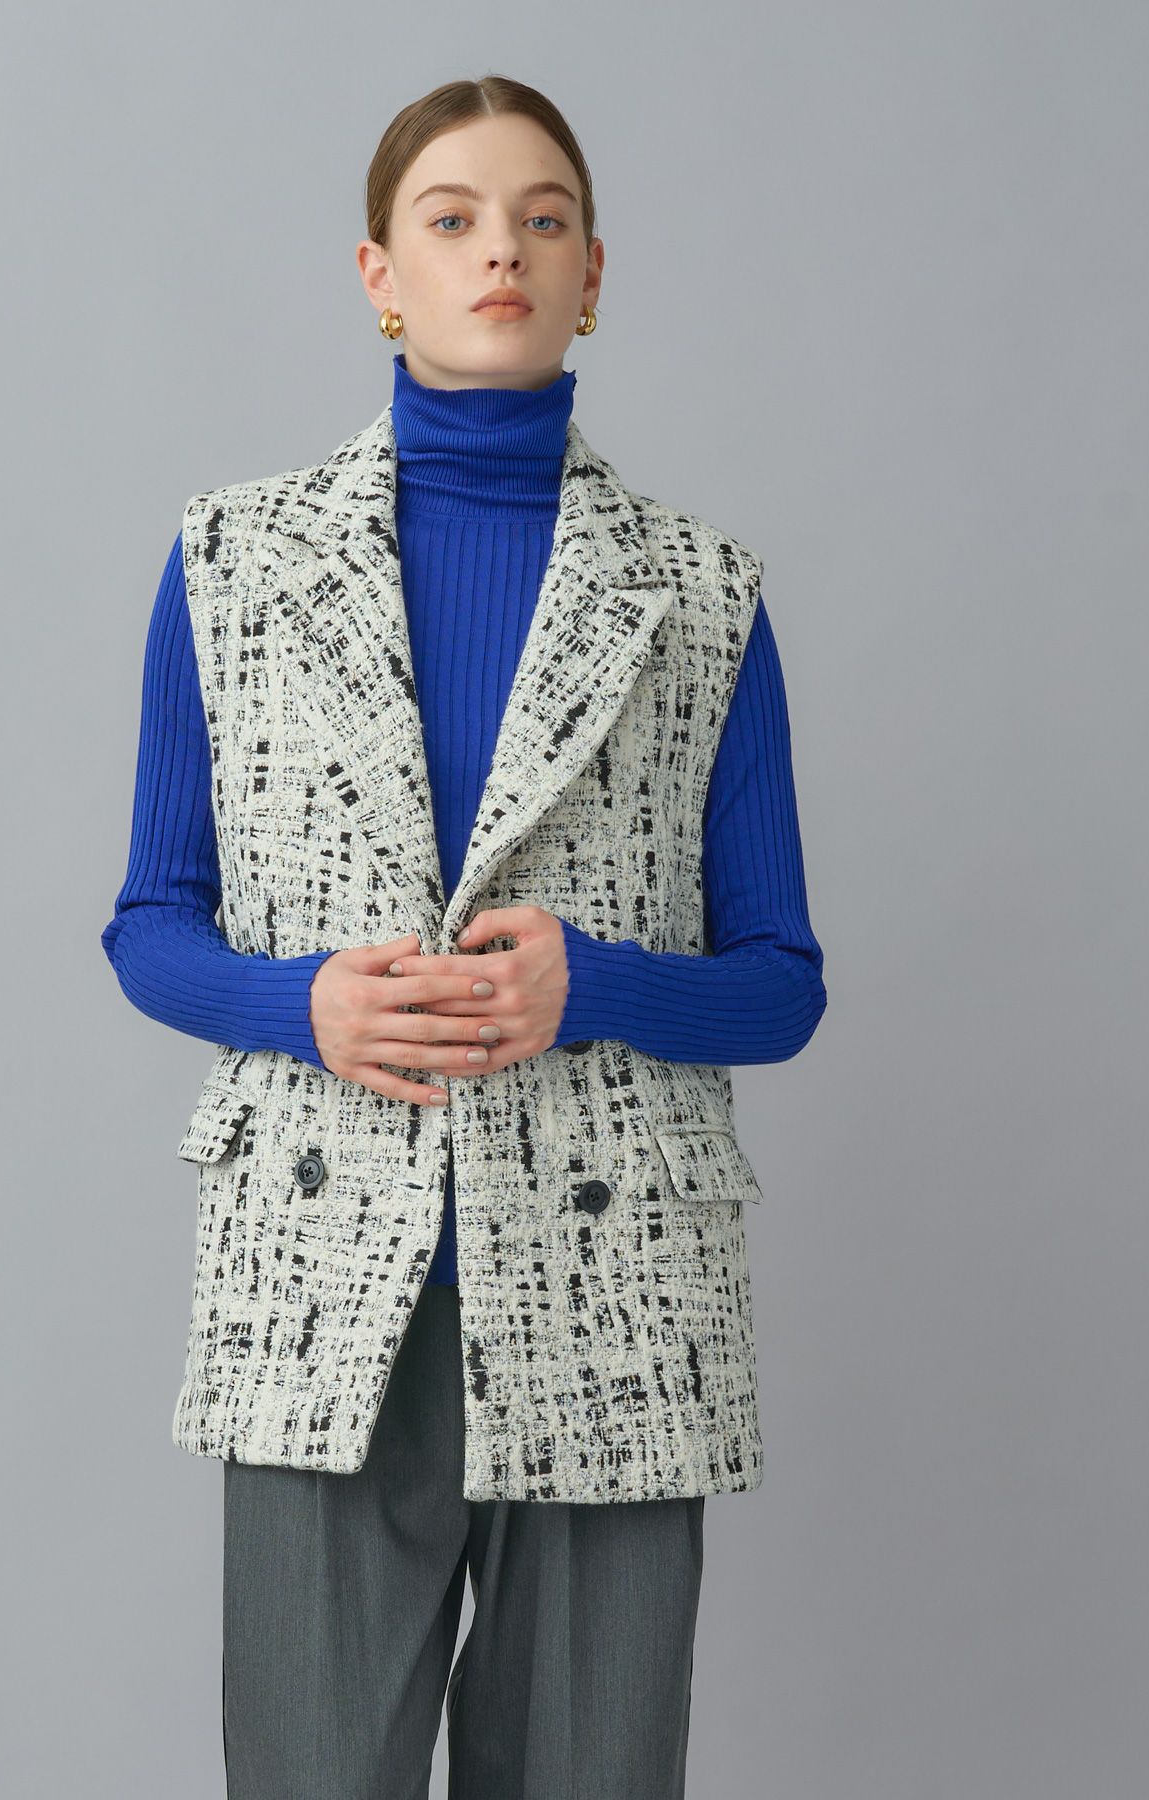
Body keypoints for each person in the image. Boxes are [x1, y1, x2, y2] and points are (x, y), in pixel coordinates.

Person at [101, 75, 826, 1800]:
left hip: (615, 1293)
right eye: (454, 219)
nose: (501, 249)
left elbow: (781, 983)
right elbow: (148, 924)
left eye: (542, 219)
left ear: (593, 274)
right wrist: (304, 1006)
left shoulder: (700, 592)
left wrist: (596, 983)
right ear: (381, 274)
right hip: (320, 1274)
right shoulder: (234, 563)